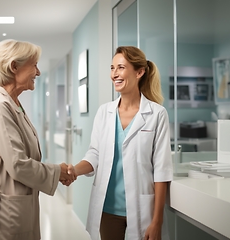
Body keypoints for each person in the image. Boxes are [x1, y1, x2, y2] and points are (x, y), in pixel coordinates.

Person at [0, 39, 76, 240]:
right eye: (34, 65)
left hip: (18, 205)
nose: (37, 72)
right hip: (3, 212)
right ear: (14, 67)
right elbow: (18, 164)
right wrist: (57, 172)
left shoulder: (13, 104)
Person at [69, 46, 173, 240]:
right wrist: (74, 170)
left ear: (139, 72)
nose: (114, 74)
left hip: (143, 209)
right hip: (107, 209)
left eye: (121, 67)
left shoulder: (157, 114)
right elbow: (94, 154)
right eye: (112, 68)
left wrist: (157, 221)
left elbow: (162, 170)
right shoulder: (104, 112)